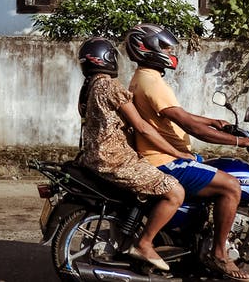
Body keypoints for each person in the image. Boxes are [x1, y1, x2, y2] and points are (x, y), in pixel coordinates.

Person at [124, 23, 249, 282]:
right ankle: (219, 255)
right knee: (231, 186)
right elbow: (187, 125)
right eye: (163, 46)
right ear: (147, 48)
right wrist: (239, 142)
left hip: (166, 157)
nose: (167, 50)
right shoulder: (151, 82)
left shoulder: (146, 78)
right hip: (164, 161)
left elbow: (179, 115)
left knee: (216, 175)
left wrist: (211, 120)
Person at [75, 36, 188, 273]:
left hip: (94, 158)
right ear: (107, 59)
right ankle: (145, 244)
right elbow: (142, 126)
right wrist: (176, 152)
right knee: (175, 191)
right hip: (115, 159)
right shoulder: (109, 86)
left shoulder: (88, 89)